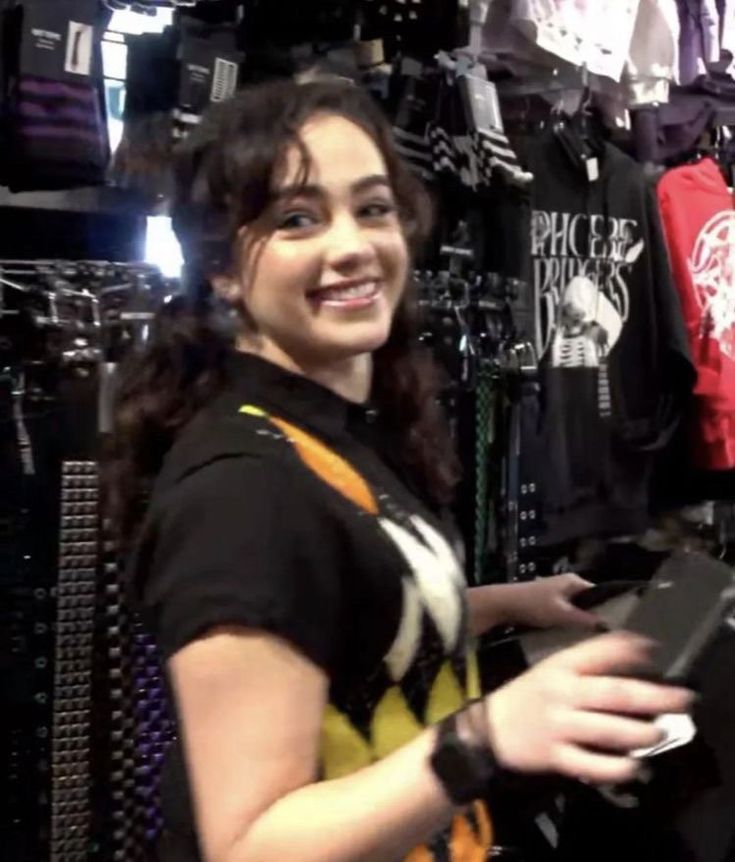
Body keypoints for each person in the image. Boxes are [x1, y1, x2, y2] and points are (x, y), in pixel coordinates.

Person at [108, 79, 694, 862]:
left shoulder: (330, 427)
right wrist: (485, 737)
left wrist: (495, 604)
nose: (351, 245)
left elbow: (332, 611)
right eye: (296, 219)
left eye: (372, 207)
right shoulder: (240, 491)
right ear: (220, 267)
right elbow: (251, 843)